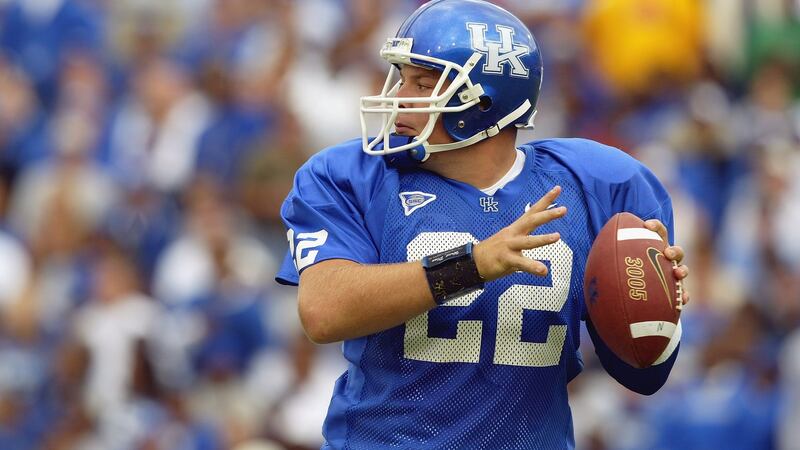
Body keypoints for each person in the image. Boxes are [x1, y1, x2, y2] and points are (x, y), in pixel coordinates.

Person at [275, 1, 690, 448]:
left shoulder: (597, 183)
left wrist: (653, 306)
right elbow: (323, 312)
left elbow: (643, 377)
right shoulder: (353, 176)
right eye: (403, 78)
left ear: (483, 100)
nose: (399, 96)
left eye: (421, 82)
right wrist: (471, 265)